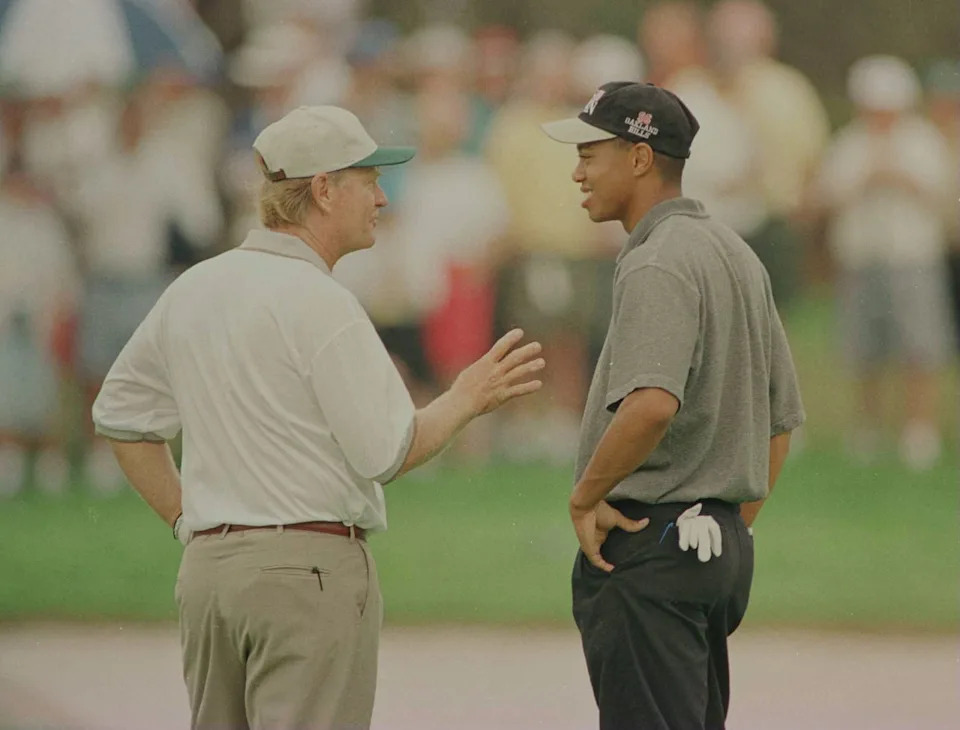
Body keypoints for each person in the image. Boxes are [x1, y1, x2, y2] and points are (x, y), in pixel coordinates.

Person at [91, 106, 545, 730]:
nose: (382, 198)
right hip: (307, 575)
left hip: (208, 574)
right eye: (369, 180)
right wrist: (466, 396)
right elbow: (388, 452)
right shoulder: (323, 301)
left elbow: (120, 417)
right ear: (325, 190)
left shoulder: (195, 287)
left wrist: (186, 520)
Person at [542, 82, 804, 729]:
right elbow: (779, 423)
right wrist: (728, 521)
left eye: (590, 154)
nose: (577, 173)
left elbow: (652, 403)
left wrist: (585, 497)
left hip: (652, 547)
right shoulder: (735, 252)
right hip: (715, 549)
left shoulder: (658, 260)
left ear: (638, 158)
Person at [817, 56, 955, 470]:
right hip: (861, 258)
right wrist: (866, 176)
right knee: (865, 348)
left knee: (919, 346)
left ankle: (919, 429)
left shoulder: (923, 141)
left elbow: (942, 192)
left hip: (912, 258)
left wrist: (898, 175)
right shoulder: (849, 142)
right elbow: (829, 194)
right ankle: (868, 427)